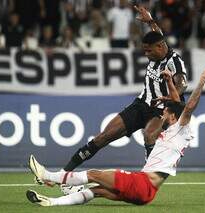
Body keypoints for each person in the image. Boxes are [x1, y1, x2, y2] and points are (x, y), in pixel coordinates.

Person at [26, 62, 205, 206]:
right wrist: (169, 81)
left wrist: (202, 80)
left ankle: (48, 175)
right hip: (148, 192)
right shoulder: (174, 128)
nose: (162, 113)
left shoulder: (180, 127)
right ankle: (52, 202)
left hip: (142, 184)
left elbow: (188, 107)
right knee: (97, 191)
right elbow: (177, 105)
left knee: (94, 175)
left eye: (165, 112)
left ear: (172, 116)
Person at [59, 5, 188, 175]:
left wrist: (171, 96)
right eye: (145, 50)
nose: (146, 54)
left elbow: (182, 84)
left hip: (162, 109)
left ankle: (148, 178)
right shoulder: (159, 45)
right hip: (142, 103)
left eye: (149, 51)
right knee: (103, 137)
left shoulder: (175, 62)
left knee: (149, 135)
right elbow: (158, 33)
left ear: (159, 47)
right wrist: (150, 21)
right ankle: (63, 173)